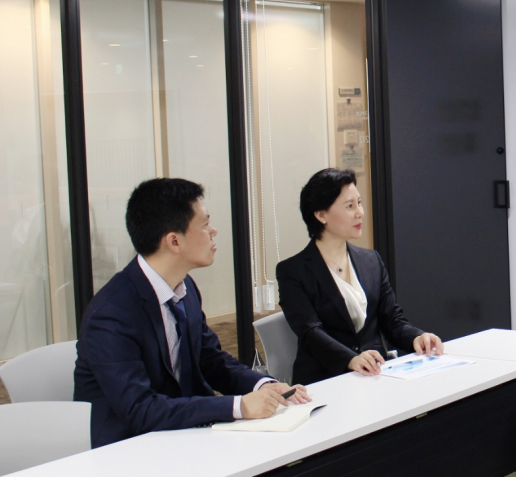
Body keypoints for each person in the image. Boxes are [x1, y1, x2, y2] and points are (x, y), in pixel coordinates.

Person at [74, 178, 310, 448]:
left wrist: (262, 385)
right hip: (128, 447)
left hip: (184, 433)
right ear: (174, 241)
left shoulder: (184, 286)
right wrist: (238, 406)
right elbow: (140, 410)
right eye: (205, 224)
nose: (214, 231)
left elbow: (210, 359)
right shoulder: (111, 314)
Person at [276, 168, 443, 385]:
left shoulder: (371, 260)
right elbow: (310, 332)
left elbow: (392, 320)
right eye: (349, 206)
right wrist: (351, 359)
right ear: (321, 215)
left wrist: (417, 337)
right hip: (324, 380)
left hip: (375, 375)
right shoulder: (293, 271)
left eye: (359, 203)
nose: (360, 213)